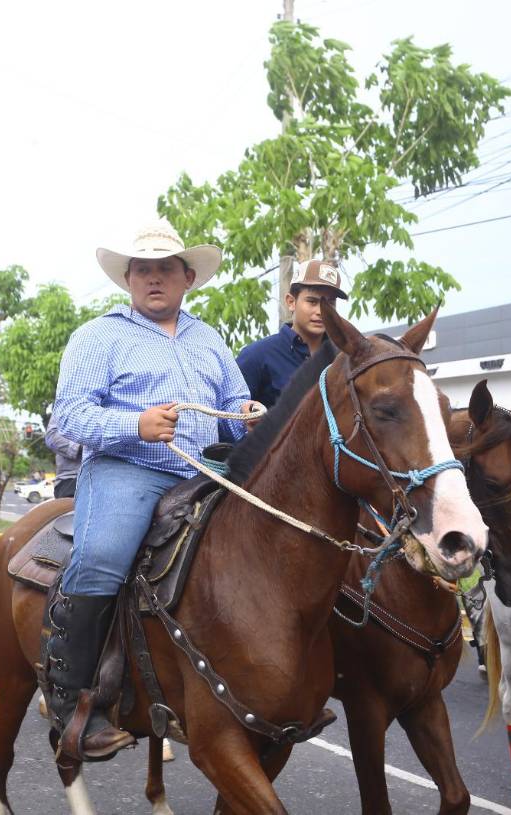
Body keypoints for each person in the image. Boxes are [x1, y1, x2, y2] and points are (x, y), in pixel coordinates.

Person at [47, 219, 260, 761]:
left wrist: (250, 417)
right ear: (128, 280)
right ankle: (72, 704)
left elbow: (235, 409)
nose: (153, 278)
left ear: (188, 277)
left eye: (165, 268)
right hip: (128, 468)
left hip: (207, 473)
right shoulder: (98, 336)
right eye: (142, 269)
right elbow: (69, 414)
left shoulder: (209, 339)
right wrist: (134, 425)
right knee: (101, 556)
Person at [236, 259, 348, 408]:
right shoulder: (257, 356)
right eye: (312, 302)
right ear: (291, 302)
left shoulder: (344, 359)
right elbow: (231, 416)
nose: (321, 311)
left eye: (329, 303)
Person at [43, 413, 80, 499]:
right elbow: (51, 438)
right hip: (72, 478)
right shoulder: (67, 402)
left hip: (112, 477)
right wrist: (81, 446)